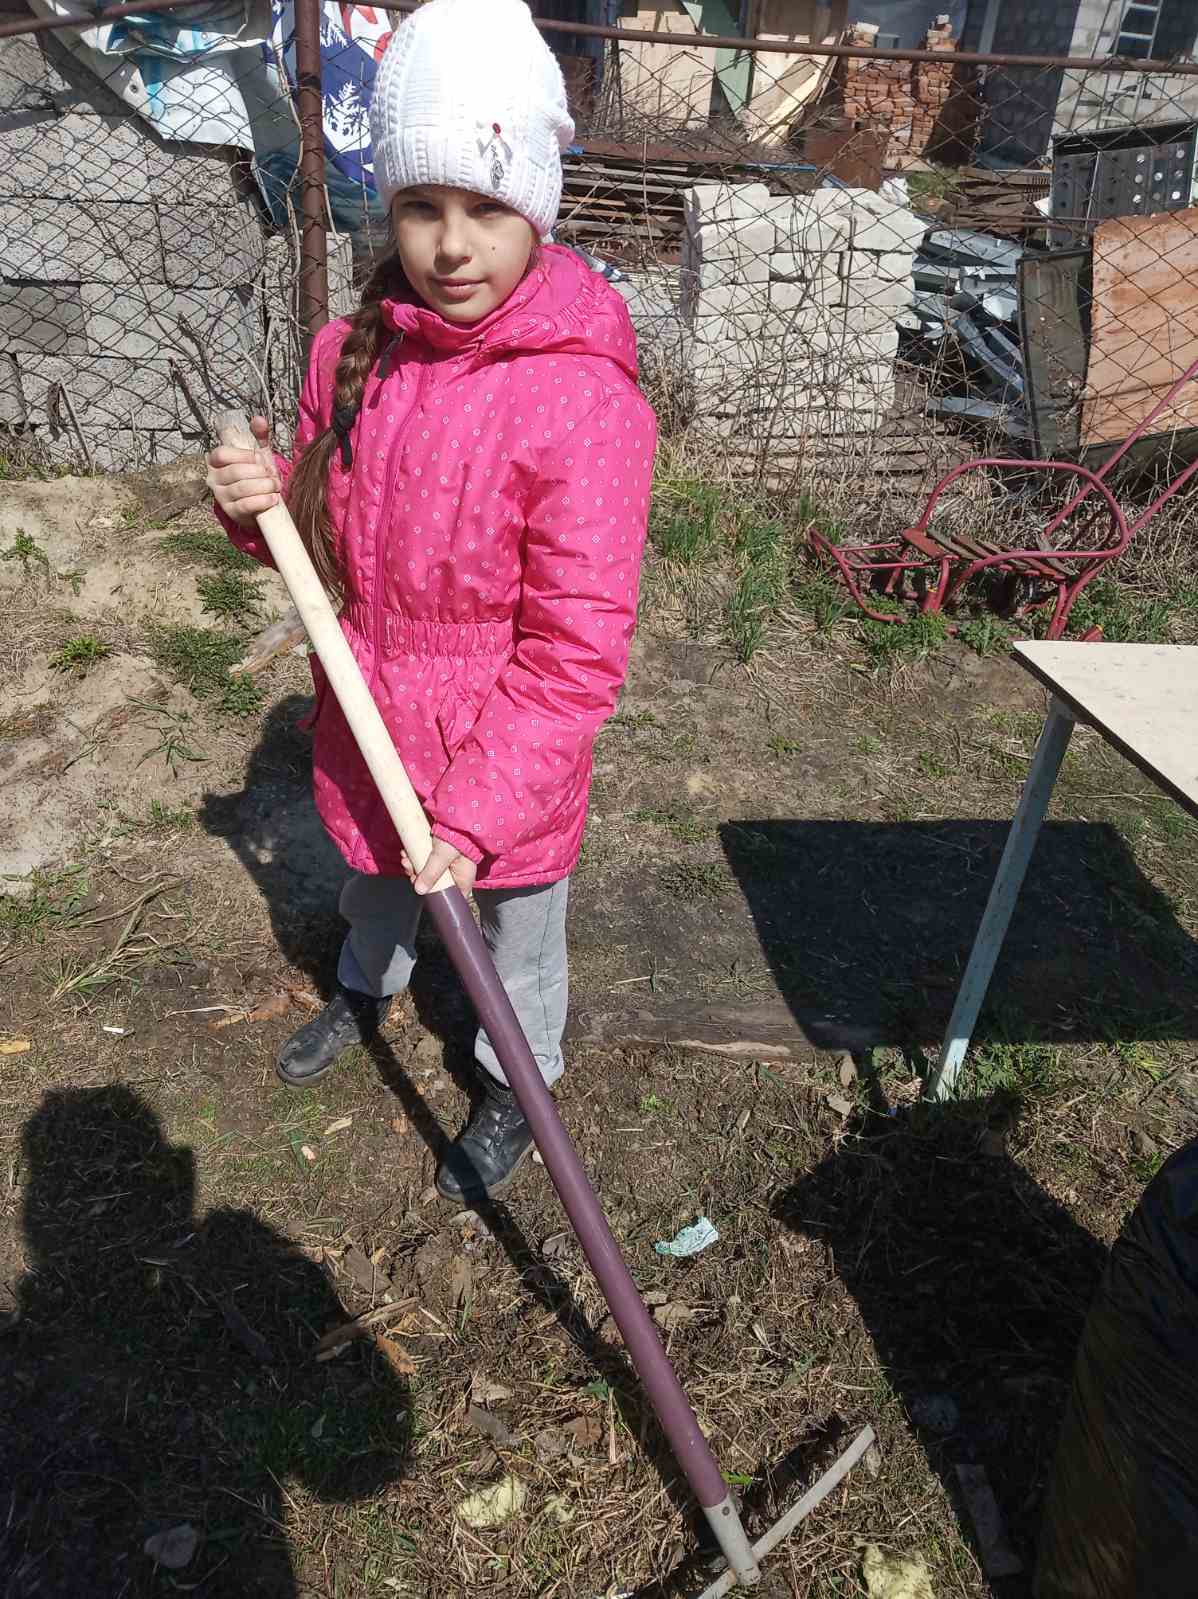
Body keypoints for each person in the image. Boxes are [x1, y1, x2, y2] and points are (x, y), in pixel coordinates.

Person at [206, 0, 656, 1203]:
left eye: (485, 209)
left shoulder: (583, 403)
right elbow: (315, 551)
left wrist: (476, 813)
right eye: (421, 207)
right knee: (367, 879)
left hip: (501, 745)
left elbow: (575, 653)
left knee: (517, 939)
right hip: (368, 706)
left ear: (537, 211)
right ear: (389, 208)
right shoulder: (349, 356)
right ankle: (369, 983)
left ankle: (518, 1077)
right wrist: (260, 503)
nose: (451, 247)